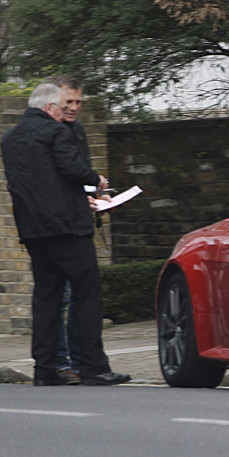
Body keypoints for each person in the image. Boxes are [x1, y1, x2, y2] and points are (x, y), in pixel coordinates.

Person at [1, 83, 130, 386]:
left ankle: (45, 369)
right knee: (87, 295)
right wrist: (97, 180)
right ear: (48, 108)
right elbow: (74, 169)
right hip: (68, 228)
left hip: (33, 231)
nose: (65, 113)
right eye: (61, 107)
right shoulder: (56, 132)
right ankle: (93, 367)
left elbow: (41, 180)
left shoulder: (10, 138)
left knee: (46, 298)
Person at [48, 75, 95, 386]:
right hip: (54, 227)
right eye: (69, 102)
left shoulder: (76, 131)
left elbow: (83, 173)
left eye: (79, 102)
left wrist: (95, 196)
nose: (74, 108)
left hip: (80, 223)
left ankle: (79, 361)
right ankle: (61, 363)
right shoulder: (47, 134)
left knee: (80, 297)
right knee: (60, 297)